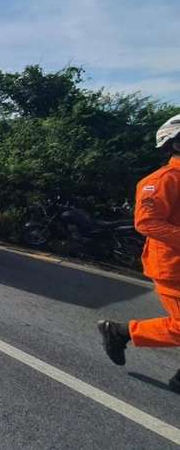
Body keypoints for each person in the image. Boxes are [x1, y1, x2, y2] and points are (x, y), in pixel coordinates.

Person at [98, 113, 180, 393]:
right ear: (175, 143)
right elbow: (146, 222)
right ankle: (120, 332)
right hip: (172, 267)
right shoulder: (163, 180)